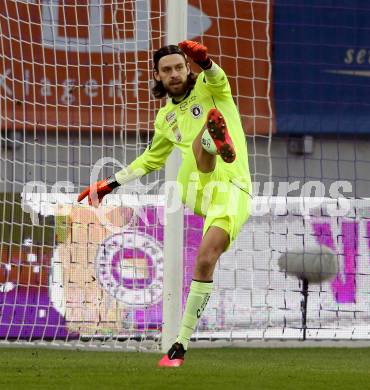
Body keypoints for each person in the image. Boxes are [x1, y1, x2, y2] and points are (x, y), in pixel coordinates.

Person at [78, 40, 252, 367]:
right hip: (197, 187)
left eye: (180, 67)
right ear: (157, 76)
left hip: (233, 188)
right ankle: (210, 143)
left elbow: (216, 77)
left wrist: (207, 61)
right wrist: (109, 184)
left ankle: (179, 347)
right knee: (196, 150)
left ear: (189, 69)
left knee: (204, 260)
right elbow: (150, 160)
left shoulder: (210, 87)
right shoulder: (165, 118)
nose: (174, 74)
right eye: (167, 70)